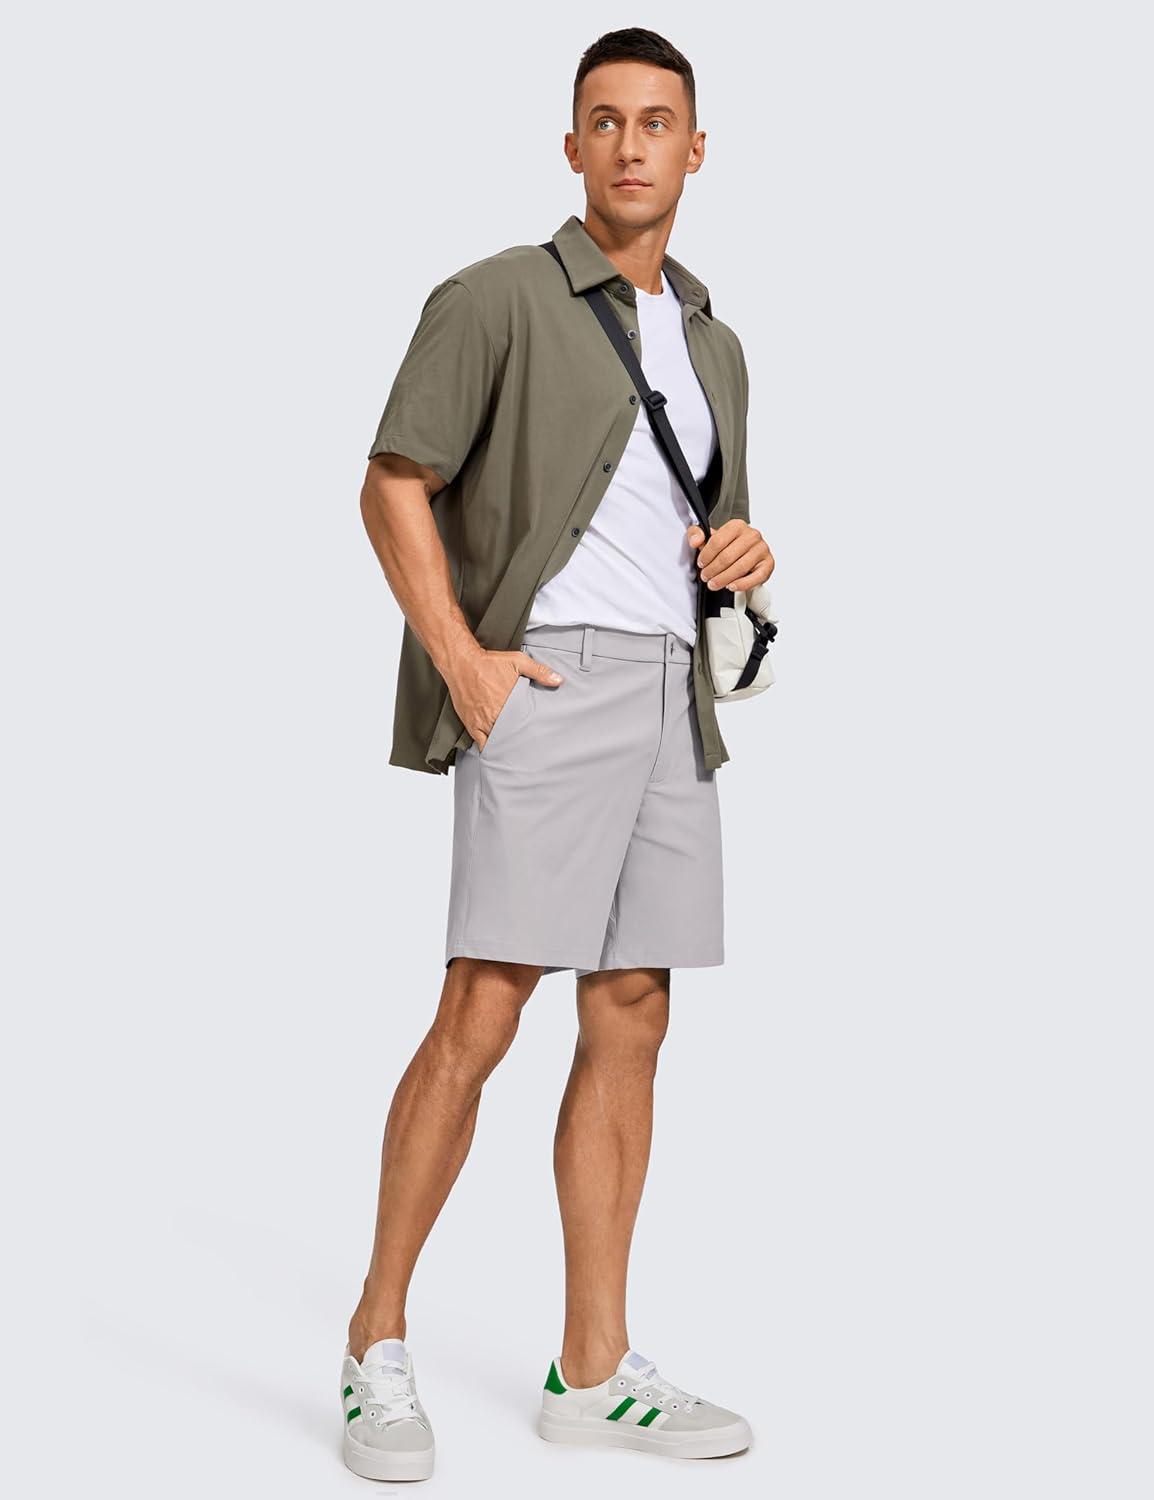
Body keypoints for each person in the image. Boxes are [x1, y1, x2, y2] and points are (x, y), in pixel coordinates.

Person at [342, 26, 775, 1483]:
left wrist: (740, 549)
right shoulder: (496, 298)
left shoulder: (712, 340)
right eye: (607, 119)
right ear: (573, 144)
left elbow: (687, 517)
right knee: (483, 1008)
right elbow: (393, 481)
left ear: (696, 150)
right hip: (548, 682)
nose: (632, 143)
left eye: (658, 121)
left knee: (635, 1009)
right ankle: (375, 1342)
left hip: (671, 697)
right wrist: (464, 662)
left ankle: (591, 1368)